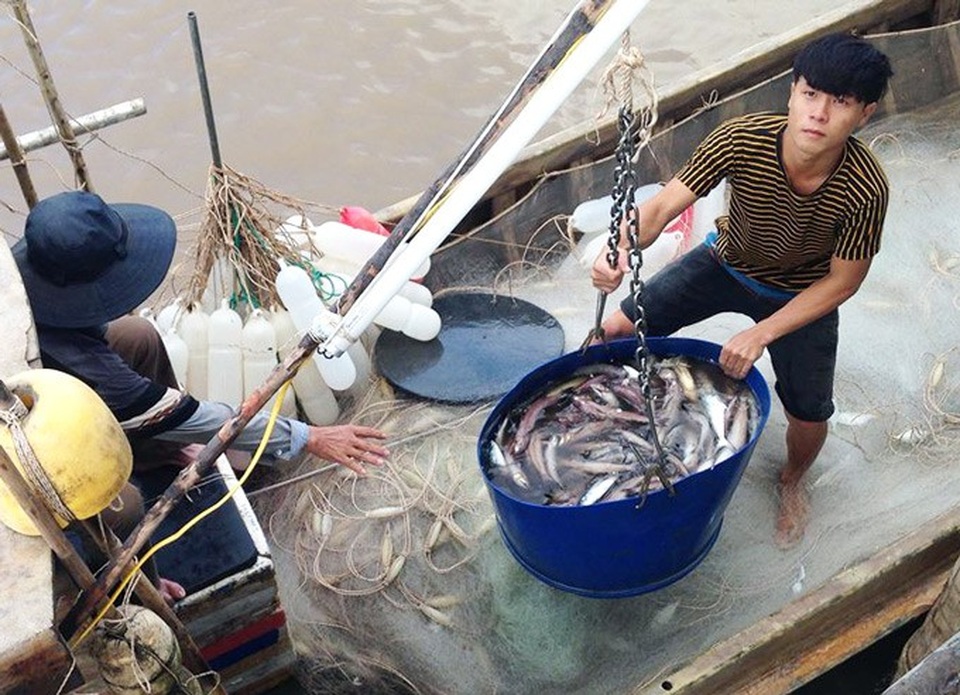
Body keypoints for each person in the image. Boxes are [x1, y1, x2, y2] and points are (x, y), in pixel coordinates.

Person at [590, 33, 893, 548]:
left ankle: (794, 480)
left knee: (808, 412)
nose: (819, 113)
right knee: (614, 329)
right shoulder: (740, 139)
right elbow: (663, 207)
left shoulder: (866, 188)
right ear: (792, 93)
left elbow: (845, 280)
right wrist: (618, 249)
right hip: (725, 262)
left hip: (801, 295)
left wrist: (763, 333)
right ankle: (604, 418)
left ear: (863, 114)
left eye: (839, 102)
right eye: (811, 94)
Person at [12, 189, 390, 601]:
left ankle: (158, 450)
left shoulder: (23, 289)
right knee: (126, 505)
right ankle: (141, 587)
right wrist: (309, 437)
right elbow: (190, 415)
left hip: (46, 379)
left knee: (138, 335)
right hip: (19, 439)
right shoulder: (92, 369)